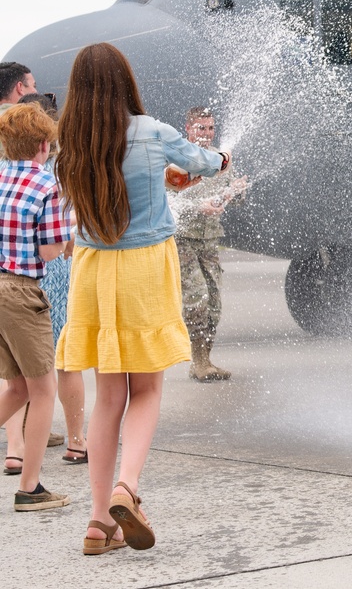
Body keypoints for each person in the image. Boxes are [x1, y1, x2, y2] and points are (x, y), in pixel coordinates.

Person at [55, 42, 230, 554]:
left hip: (92, 270)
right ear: (124, 81)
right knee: (147, 391)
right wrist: (219, 158)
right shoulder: (153, 130)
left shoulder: (70, 139)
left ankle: (97, 523)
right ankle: (126, 488)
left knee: (108, 397)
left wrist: (163, 177)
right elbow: (207, 162)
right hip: (144, 267)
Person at [0, 101, 72, 511]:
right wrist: (67, 240)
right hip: (22, 291)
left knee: (17, 388)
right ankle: (30, 487)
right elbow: (48, 252)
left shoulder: (0, 176)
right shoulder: (46, 185)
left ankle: (29, 482)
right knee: (43, 390)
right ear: (43, 145)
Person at [18, 93, 89, 465]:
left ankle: (18, 448)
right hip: (54, 268)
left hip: (14, 274)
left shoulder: (9, 168)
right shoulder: (60, 169)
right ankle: (77, 439)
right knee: (65, 359)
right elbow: (60, 238)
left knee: (20, 367)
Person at [169, 106, 247, 382]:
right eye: (201, 128)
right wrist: (198, 207)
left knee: (214, 301)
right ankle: (198, 361)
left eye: (211, 128)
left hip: (210, 240)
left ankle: (206, 359)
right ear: (188, 128)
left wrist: (235, 192)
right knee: (196, 297)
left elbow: (232, 200)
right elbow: (169, 201)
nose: (206, 133)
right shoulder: (176, 158)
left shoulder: (219, 159)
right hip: (183, 239)